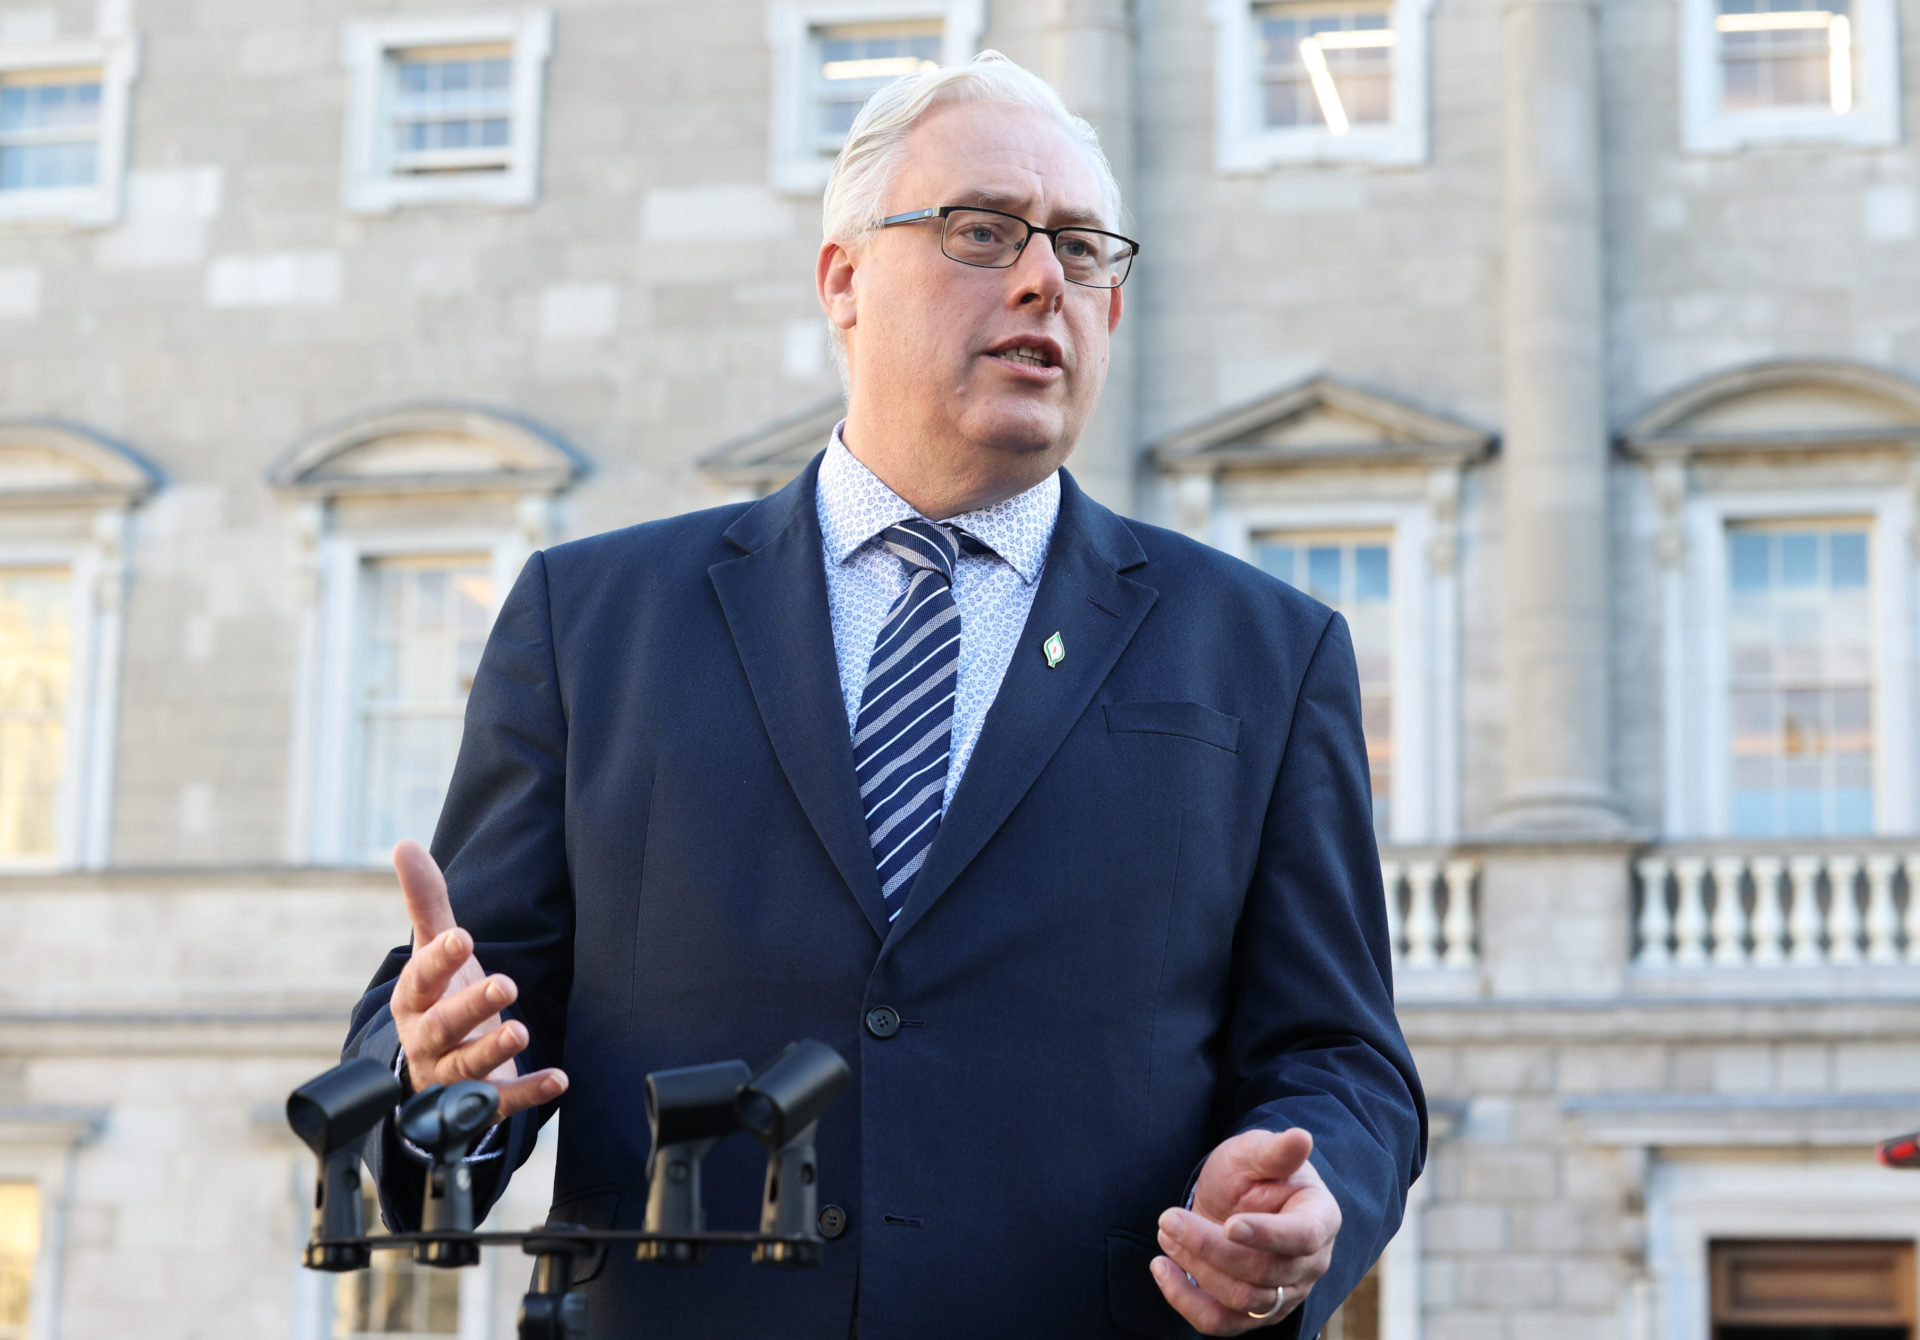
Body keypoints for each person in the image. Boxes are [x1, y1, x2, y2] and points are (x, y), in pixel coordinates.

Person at [345, 51, 1425, 1339]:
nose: (1042, 278)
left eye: (1083, 251)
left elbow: (1345, 1062)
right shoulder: (591, 624)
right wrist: (426, 1083)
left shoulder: (1267, 649)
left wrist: (1312, 1216)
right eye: (982, 231)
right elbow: (459, 1029)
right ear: (843, 279)